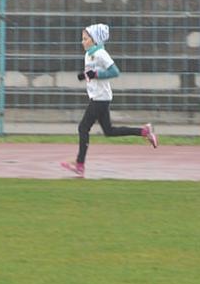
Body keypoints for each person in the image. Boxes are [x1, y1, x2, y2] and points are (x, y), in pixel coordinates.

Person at [61, 23, 158, 178]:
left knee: (83, 128)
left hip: (100, 98)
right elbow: (92, 72)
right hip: (99, 97)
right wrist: (85, 75)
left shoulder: (101, 53)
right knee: (109, 131)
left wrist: (95, 75)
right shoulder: (88, 54)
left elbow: (114, 71)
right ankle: (144, 131)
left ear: (95, 40)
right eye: (82, 38)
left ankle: (80, 164)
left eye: (85, 39)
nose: (82, 41)